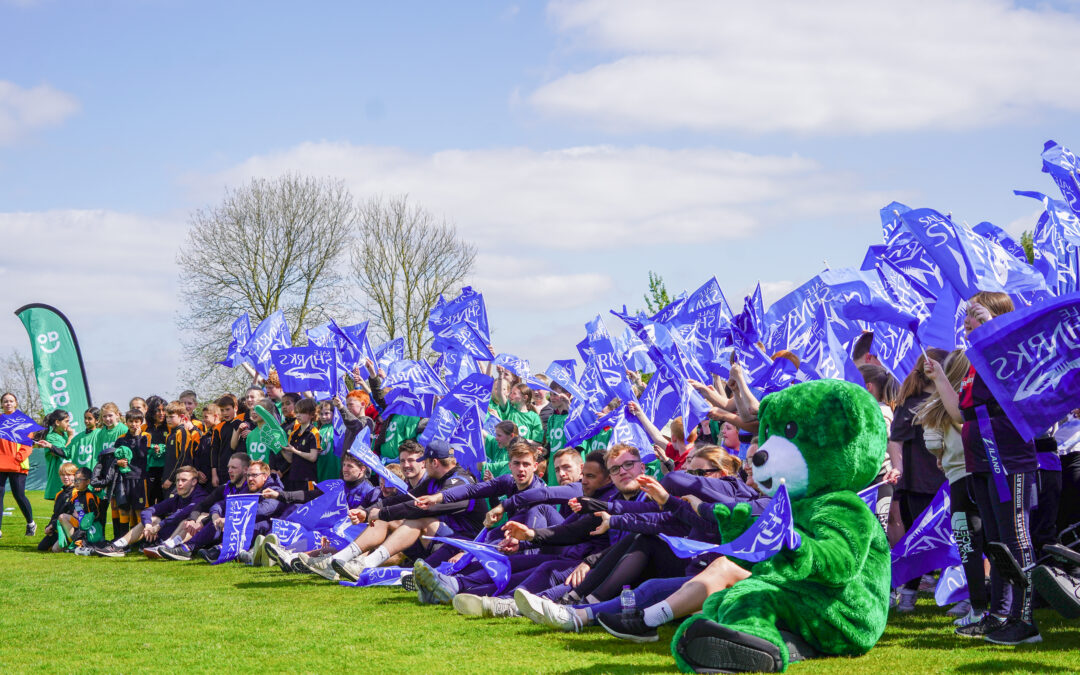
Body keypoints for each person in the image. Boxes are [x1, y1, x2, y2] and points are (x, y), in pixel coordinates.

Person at [926, 292, 1041, 645]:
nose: (968, 322)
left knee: (1016, 539)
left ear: (996, 318)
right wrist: (941, 378)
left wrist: (994, 328)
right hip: (982, 463)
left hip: (1010, 460)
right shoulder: (975, 360)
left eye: (976, 315)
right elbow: (961, 415)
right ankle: (999, 615)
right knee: (996, 543)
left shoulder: (1008, 351)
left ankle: (1025, 621)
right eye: (967, 317)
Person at [918, 348, 987, 627]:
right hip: (986, 476)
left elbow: (933, 443)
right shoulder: (980, 396)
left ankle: (978, 607)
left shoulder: (937, 405)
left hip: (959, 480)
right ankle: (1005, 607)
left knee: (968, 546)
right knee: (993, 543)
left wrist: (941, 457)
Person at [890, 349, 948, 612]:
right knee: (916, 539)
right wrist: (898, 468)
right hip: (917, 485)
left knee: (954, 538)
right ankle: (909, 594)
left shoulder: (950, 400)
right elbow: (896, 441)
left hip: (948, 483)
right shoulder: (910, 403)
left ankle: (959, 594)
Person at [93, 465, 207, 557]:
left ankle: (168, 548)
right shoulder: (178, 497)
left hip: (191, 536)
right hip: (171, 533)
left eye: (184, 480)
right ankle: (118, 546)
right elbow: (148, 511)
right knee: (153, 519)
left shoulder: (200, 496)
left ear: (194, 482)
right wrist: (148, 525)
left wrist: (159, 526)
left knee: (187, 521)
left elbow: (182, 514)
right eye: (177, 480)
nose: (179, 484)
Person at [0, 392, 36, 538]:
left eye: (11, 401)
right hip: (1, 464)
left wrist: (18, 457)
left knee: (19, 495)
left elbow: (28, 445)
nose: (8, 403)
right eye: (5, 401)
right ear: (2, 404)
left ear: (16, 403)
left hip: (18, 464)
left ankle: (31, 523)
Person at [38, 461, 79, 552]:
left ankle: (74, 544)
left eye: (69, 474)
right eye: (62, 474)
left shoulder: (76, 493)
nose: (65, 477)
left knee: (55, 550)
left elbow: (70, 514)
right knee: (41, 547)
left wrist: (53, 526)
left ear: (75, 476)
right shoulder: (59, 494)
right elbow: (55, 514)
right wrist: (48, 527)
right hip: (58, 527)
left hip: (71, 527)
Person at [34, 409, 73, 501]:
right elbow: (64, 453)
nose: (68, 424)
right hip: (58, 479)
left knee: (73, 509)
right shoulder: (51, 437)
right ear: (57, 422)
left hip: (68, 477)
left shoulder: (65, 435)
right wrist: (71, 437)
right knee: (61, 509)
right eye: (66, 421)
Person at [282, 398, 320, 491]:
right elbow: (291, 459)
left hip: (308, 479)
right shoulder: (294, 433)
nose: (298, 415)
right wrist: (281, 448)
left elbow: (313, 457)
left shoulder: (314, 433)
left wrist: (295, 451)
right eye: (297, 412)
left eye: (302, 412)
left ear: (312, 414)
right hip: (294, 477)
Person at [162, 401, 199, 494]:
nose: (168, 420)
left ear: (182, 417)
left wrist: (171, 479)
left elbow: (183, 457)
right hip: (168, 477)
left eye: (171, 417)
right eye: (167, 417)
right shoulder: (170, 434)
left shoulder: (182, 432)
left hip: (177, 480)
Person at [143, 396, 169, 505]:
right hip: (149, 470)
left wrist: (162, 449)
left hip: (165, 470)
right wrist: (152, 448)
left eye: (164, 410)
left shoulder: (169, 427)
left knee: (163, 500)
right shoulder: (145, 428)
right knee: (149, 499)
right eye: (158, 410)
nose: (161, 413)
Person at [67, 407, 101, 473]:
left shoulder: (101, 434)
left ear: (97, 420)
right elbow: (67, 452)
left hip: (95, 476)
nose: (86, 421)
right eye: (85, 418)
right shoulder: (78, 437)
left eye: (89, 419)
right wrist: (51, 447)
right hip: (79, 478)